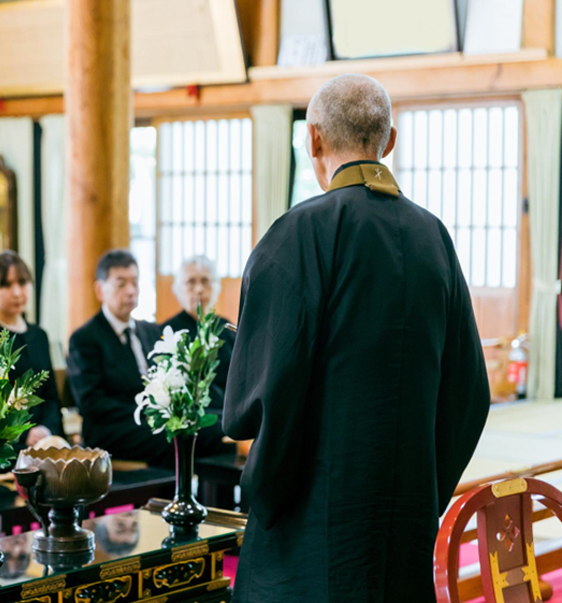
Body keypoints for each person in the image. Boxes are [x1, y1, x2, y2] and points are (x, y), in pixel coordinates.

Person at [223, 74, 490, 602]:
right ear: (388, 142)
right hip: (404, 524)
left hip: (313, 525)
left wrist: (269, 489)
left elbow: (255, 399)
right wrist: (421, 488)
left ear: (313, 139)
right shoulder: (432, 235)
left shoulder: (298, 234)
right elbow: (470, 393)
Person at [68, 250, 231, 467]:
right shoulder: (86, 338)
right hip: (113, 429)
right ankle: (181, 496)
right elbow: (91, 403)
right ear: (100, 290)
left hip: (152, 420)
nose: (131, 291)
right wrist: (151, 411)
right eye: (121, 284)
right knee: (183, 432)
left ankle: (208, 492)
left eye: (135, 282)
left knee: (219, 420)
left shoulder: (150, 331)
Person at [0, 251, 64, 444]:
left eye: (23, 283)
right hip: (1, 444)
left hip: (44, 439)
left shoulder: (39, 335)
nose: (17, 292)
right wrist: (24, 435)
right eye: (6, 285)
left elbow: (50, 396)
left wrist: (46, 430)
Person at [162, 255, 234, 411]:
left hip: (229, 411)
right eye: (191, 282)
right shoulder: (169, 331)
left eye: (205, 281)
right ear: (178, 288)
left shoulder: (227, 328)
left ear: (216, 286)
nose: (199, 289)